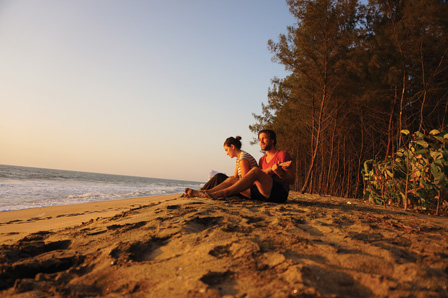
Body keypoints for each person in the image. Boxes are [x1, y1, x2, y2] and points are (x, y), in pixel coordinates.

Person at [204, 129, 294, 203]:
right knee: (231, 179)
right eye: (259, 139)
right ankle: (206, 192)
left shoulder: (282, 155)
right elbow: (259, 179)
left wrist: (280, 173)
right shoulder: (262, 159)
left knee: (255, 170)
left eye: (264, 138)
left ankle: (224, 192)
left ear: (272, 140)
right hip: (263, 192)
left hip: (279, 193)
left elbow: (291, 180)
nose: (261, 142)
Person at [182, 136, 258, 197]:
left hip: (248, 190)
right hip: (243, 187)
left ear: (232, 147)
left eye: (227, 150)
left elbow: (245, 182)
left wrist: (226, 181)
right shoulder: (239, 159)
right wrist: (225, 181)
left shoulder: (243, 158)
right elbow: (235, 177)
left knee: (220, 177)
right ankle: (200, 191)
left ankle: (200, 192)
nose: (227, 153)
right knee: (219, 177)